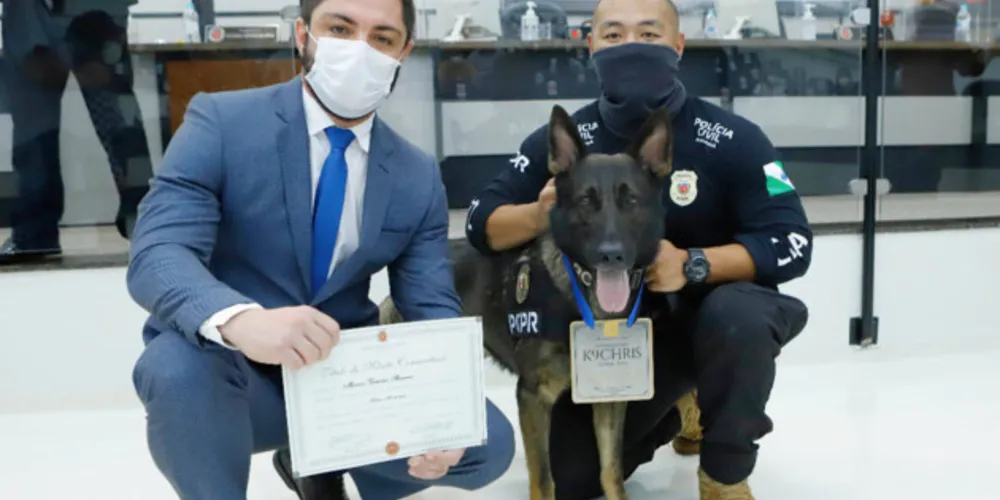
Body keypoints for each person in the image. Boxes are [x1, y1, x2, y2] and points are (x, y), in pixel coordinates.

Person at [126, 0, 515, 498]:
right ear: (303, 34)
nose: (360, 50)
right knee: (174, 368)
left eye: (382, 38)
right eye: (340, 28)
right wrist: (242, 321)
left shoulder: (416, 174)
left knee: (488, 444)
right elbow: (159, 252)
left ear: (405, 52)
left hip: (343, 378)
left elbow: (431, 306)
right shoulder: (221, 123)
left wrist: (444, 407)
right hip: (236, 372)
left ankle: (328, 463)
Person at [464, 0, 811, 498]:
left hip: (720, 324)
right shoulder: (565, 137)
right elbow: (481, 221)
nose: (630, 47)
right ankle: (678, 408)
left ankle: (724, 472)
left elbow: (792, 243)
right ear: (590, 45)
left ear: (678, 45)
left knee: (740, 315)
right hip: (623, 340)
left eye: (649, 35)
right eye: (613, 35)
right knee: (574, 480)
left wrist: (693, 264)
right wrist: (541, 211)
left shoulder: (736, 139)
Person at [0, 0, 153, 263]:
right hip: (48, 10)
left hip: (87, 11)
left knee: (116, 122)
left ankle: (145, 219)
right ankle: (144, 219)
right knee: (41, 125)